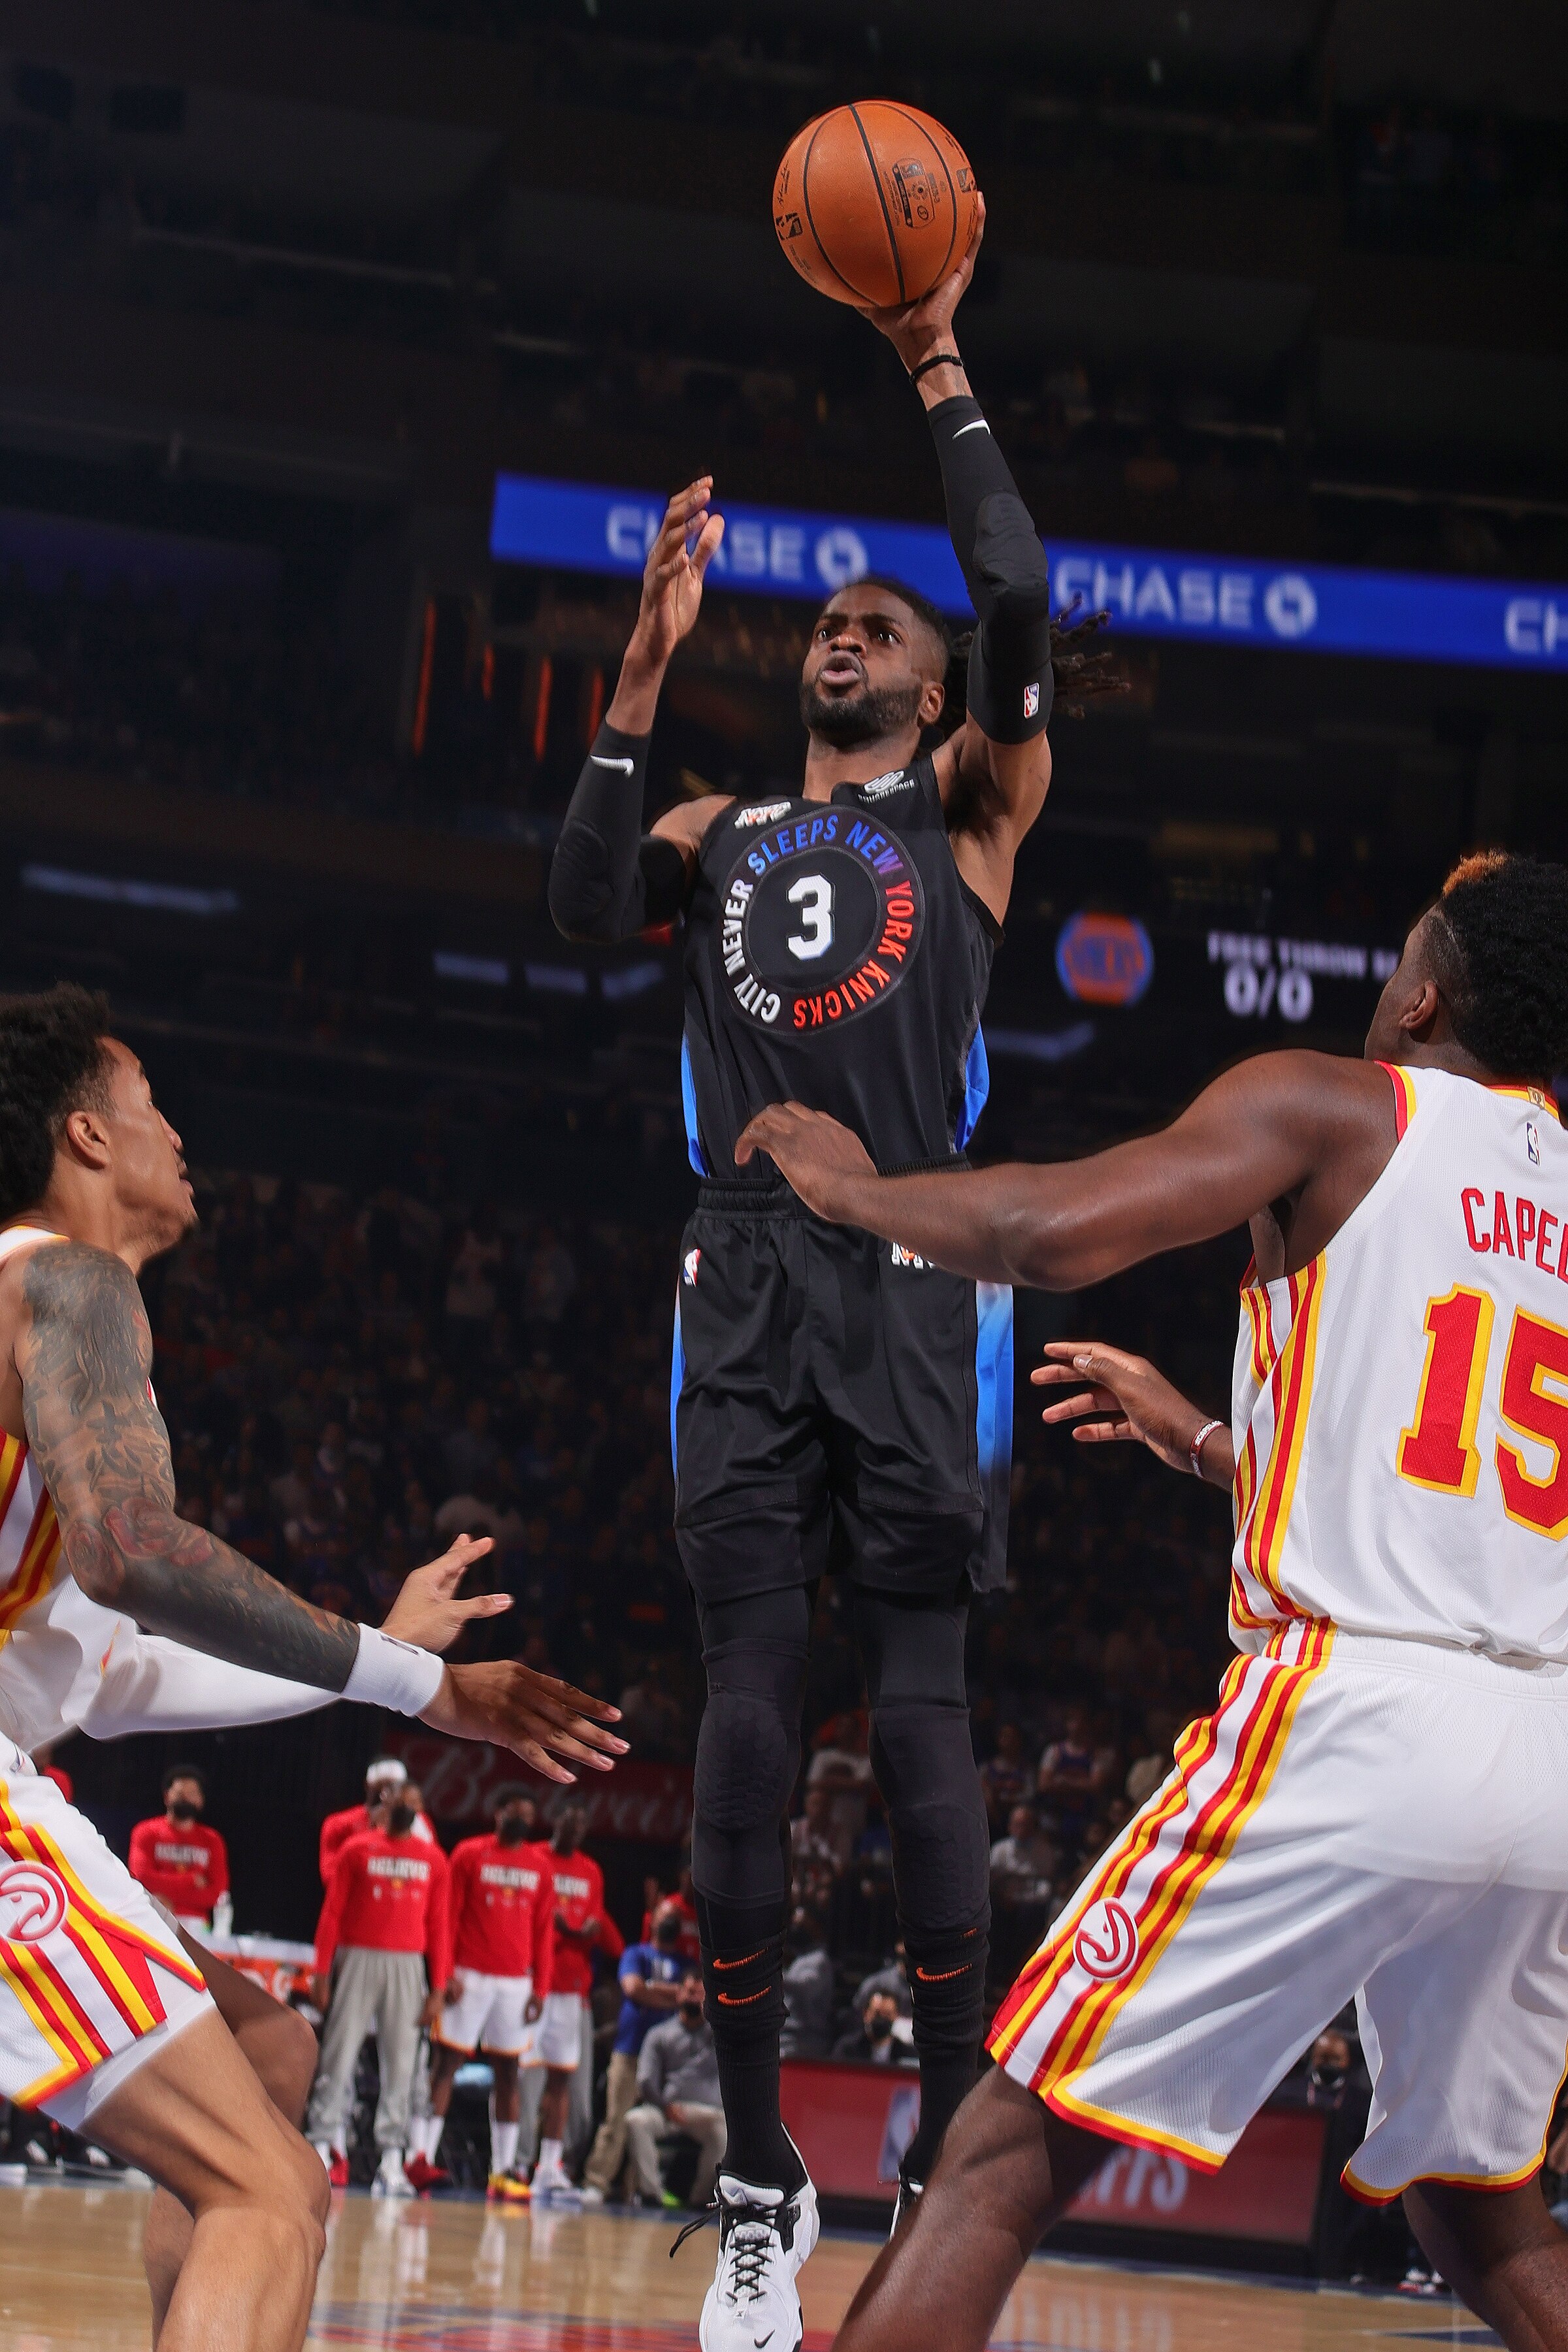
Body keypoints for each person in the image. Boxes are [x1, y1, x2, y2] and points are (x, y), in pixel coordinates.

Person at [738, 850, 1568, 2352]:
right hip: (1548, 1750)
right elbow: (1468, 1487)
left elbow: (1054, 1231)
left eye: (1400, 954)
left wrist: (850, 1189)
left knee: (999, 2156)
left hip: (1363, 1713)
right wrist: (1201, 1440)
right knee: (1475, 2203)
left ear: (1424, 996)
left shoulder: (1336, 1107)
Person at [549, 194, 1118, 2352]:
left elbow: (1022, 589)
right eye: (834, 619)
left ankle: (947, 2136)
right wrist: (637, 666)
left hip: (916, 1273)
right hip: (742, 1275)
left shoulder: (970, 809)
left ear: (941, 688)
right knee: (748, 1717)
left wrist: (934, 363)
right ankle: (763, 2175)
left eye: (886, 620)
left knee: (929, 1719)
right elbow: (581, 896)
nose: (851, 630)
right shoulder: (715, 832)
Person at [0, 983, 625, 2351]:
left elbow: (109, 1675)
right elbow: (134, 1551)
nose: (178, 1133)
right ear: (86, 1136)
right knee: (272, 2195)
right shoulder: (69, 1283)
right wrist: (420, 1687)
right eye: (150, 1103)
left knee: (271, 2052)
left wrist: (383, 1657)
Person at [306, 1778, 450, 2197]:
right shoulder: (356, 1849)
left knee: (402, 2062)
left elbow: (439, 1925)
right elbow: (332, 1913)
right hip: (357, 1957)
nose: (406, 1805)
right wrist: (321, 1971)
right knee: (339, 2051)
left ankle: (392, 2159)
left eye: (414, 1800)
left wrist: (438, 1987)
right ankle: (322, 2145)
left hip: (408, 1963)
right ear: (384, 1805)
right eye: (399, 1798)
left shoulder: (433, 1859)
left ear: (420, 1810)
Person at [421, 1790, 556, 2200]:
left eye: (528, 1815)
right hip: (470, 1975)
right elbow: (448, 1917)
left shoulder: (540, 1866)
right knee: (447, 2063)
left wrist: (541, 1988)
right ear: (497, 1813)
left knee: (509, 2072)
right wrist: (446, 1973)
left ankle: (502, 2170)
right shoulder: (469, 1853)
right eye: (515, 1813)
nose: (521, 1821)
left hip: (515, 1983)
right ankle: (420, 2157)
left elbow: (544, 1931)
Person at [524, 1801, 623, 2202]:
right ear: (556, 1821)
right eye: (571, 1823)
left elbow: (598, 1927)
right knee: (527, 2084)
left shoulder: (591, 1870)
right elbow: (531, 1919)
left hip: (575, 1992)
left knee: (576, 2094)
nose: (576, 1831)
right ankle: (517, 2165)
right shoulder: (534, 1858)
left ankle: (556, 2166)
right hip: (535, 1987)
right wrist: (562, 1927)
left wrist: (582, 1929)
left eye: (583, 1826)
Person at [581, 1897, 686, 2206]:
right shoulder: (636, 1953)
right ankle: (597, 2182)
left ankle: (635, 2188)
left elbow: (692, 1995)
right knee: (616, 2119)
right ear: (652, 1920)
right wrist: (672, 1994)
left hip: (665, 2059)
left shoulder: (686, 1964)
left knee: (644, 2125)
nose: (670, 1922)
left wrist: (650, 1990)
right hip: (629, 2050)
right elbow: (632, 1989)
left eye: (675, 1917)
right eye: (665, 1916)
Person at [625, 1971, 728, 2210]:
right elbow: (645, 2079)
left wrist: (714, 2014)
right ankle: (652, 2195)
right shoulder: (659, 2034)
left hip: (708, 2113)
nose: (694, 1999)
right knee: (636, 2120)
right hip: (669, 2108)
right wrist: (665, 2106)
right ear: (679, 1993)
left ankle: (700, 2199)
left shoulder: (720, 2034)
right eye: (690, 1992)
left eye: (700, 1994)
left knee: (723, 2130)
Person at [129, 1763, 229, 1932]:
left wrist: (165, 1895)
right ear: (167, 1796)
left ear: (201, 1800)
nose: (186, 1799)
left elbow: (216, 1893)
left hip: (197, 1926)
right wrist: (191, 1880)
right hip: (154, 1917)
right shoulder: (146, 1832)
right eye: (180, 1793)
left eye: (192, 1794)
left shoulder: (212, 1840)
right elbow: (142, 1878)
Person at [319, 1757, 434, 1884]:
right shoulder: (339, 1823)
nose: (384, 1794)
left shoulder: (420, 1821)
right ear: (367, 1785)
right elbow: (331, 1876)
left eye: (393, 1788)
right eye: (380, 1787)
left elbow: (433, 1868)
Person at [832, 1989, 916, 2066]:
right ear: (866, 2014)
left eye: (887, 2014)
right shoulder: (847, 2049)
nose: (882, 2019)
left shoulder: (908, 2054)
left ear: (896, 2016)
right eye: (877, 2014)